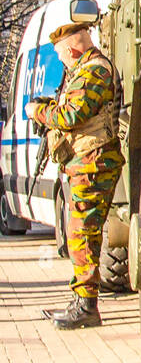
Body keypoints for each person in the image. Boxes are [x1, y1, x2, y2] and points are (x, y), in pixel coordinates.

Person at [27, 20, 123, 330]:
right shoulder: (84, 69)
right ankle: (82, 300)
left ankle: (86, 307)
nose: (61, 62)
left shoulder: (94, 70)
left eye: (61, 56)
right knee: (83, 233)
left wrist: (37, 112)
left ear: (72, 48)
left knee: (81, 234)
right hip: (87, 162)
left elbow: (71, 115)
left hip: (94, 163)